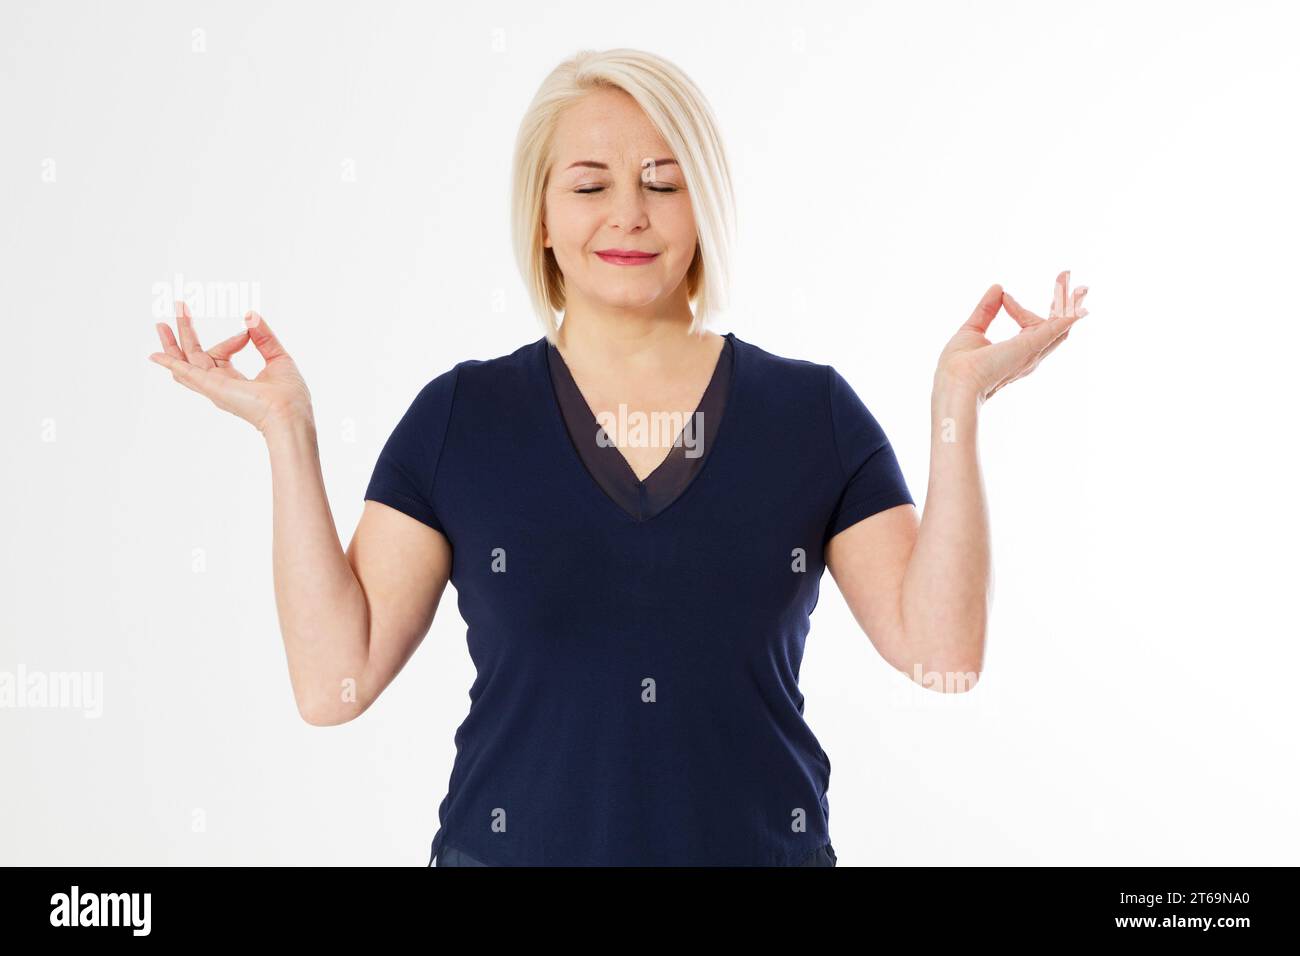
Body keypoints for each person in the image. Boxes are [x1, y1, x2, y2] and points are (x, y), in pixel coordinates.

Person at [146, 48, 1089, 867]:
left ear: (705, 205)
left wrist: (957, 407)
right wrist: (288, 433)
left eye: (664, 181)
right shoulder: (461, 417)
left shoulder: (812, 414)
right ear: (543, 220)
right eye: (591, 185)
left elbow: (943, 654)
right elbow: (331, 683)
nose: (629, 215)